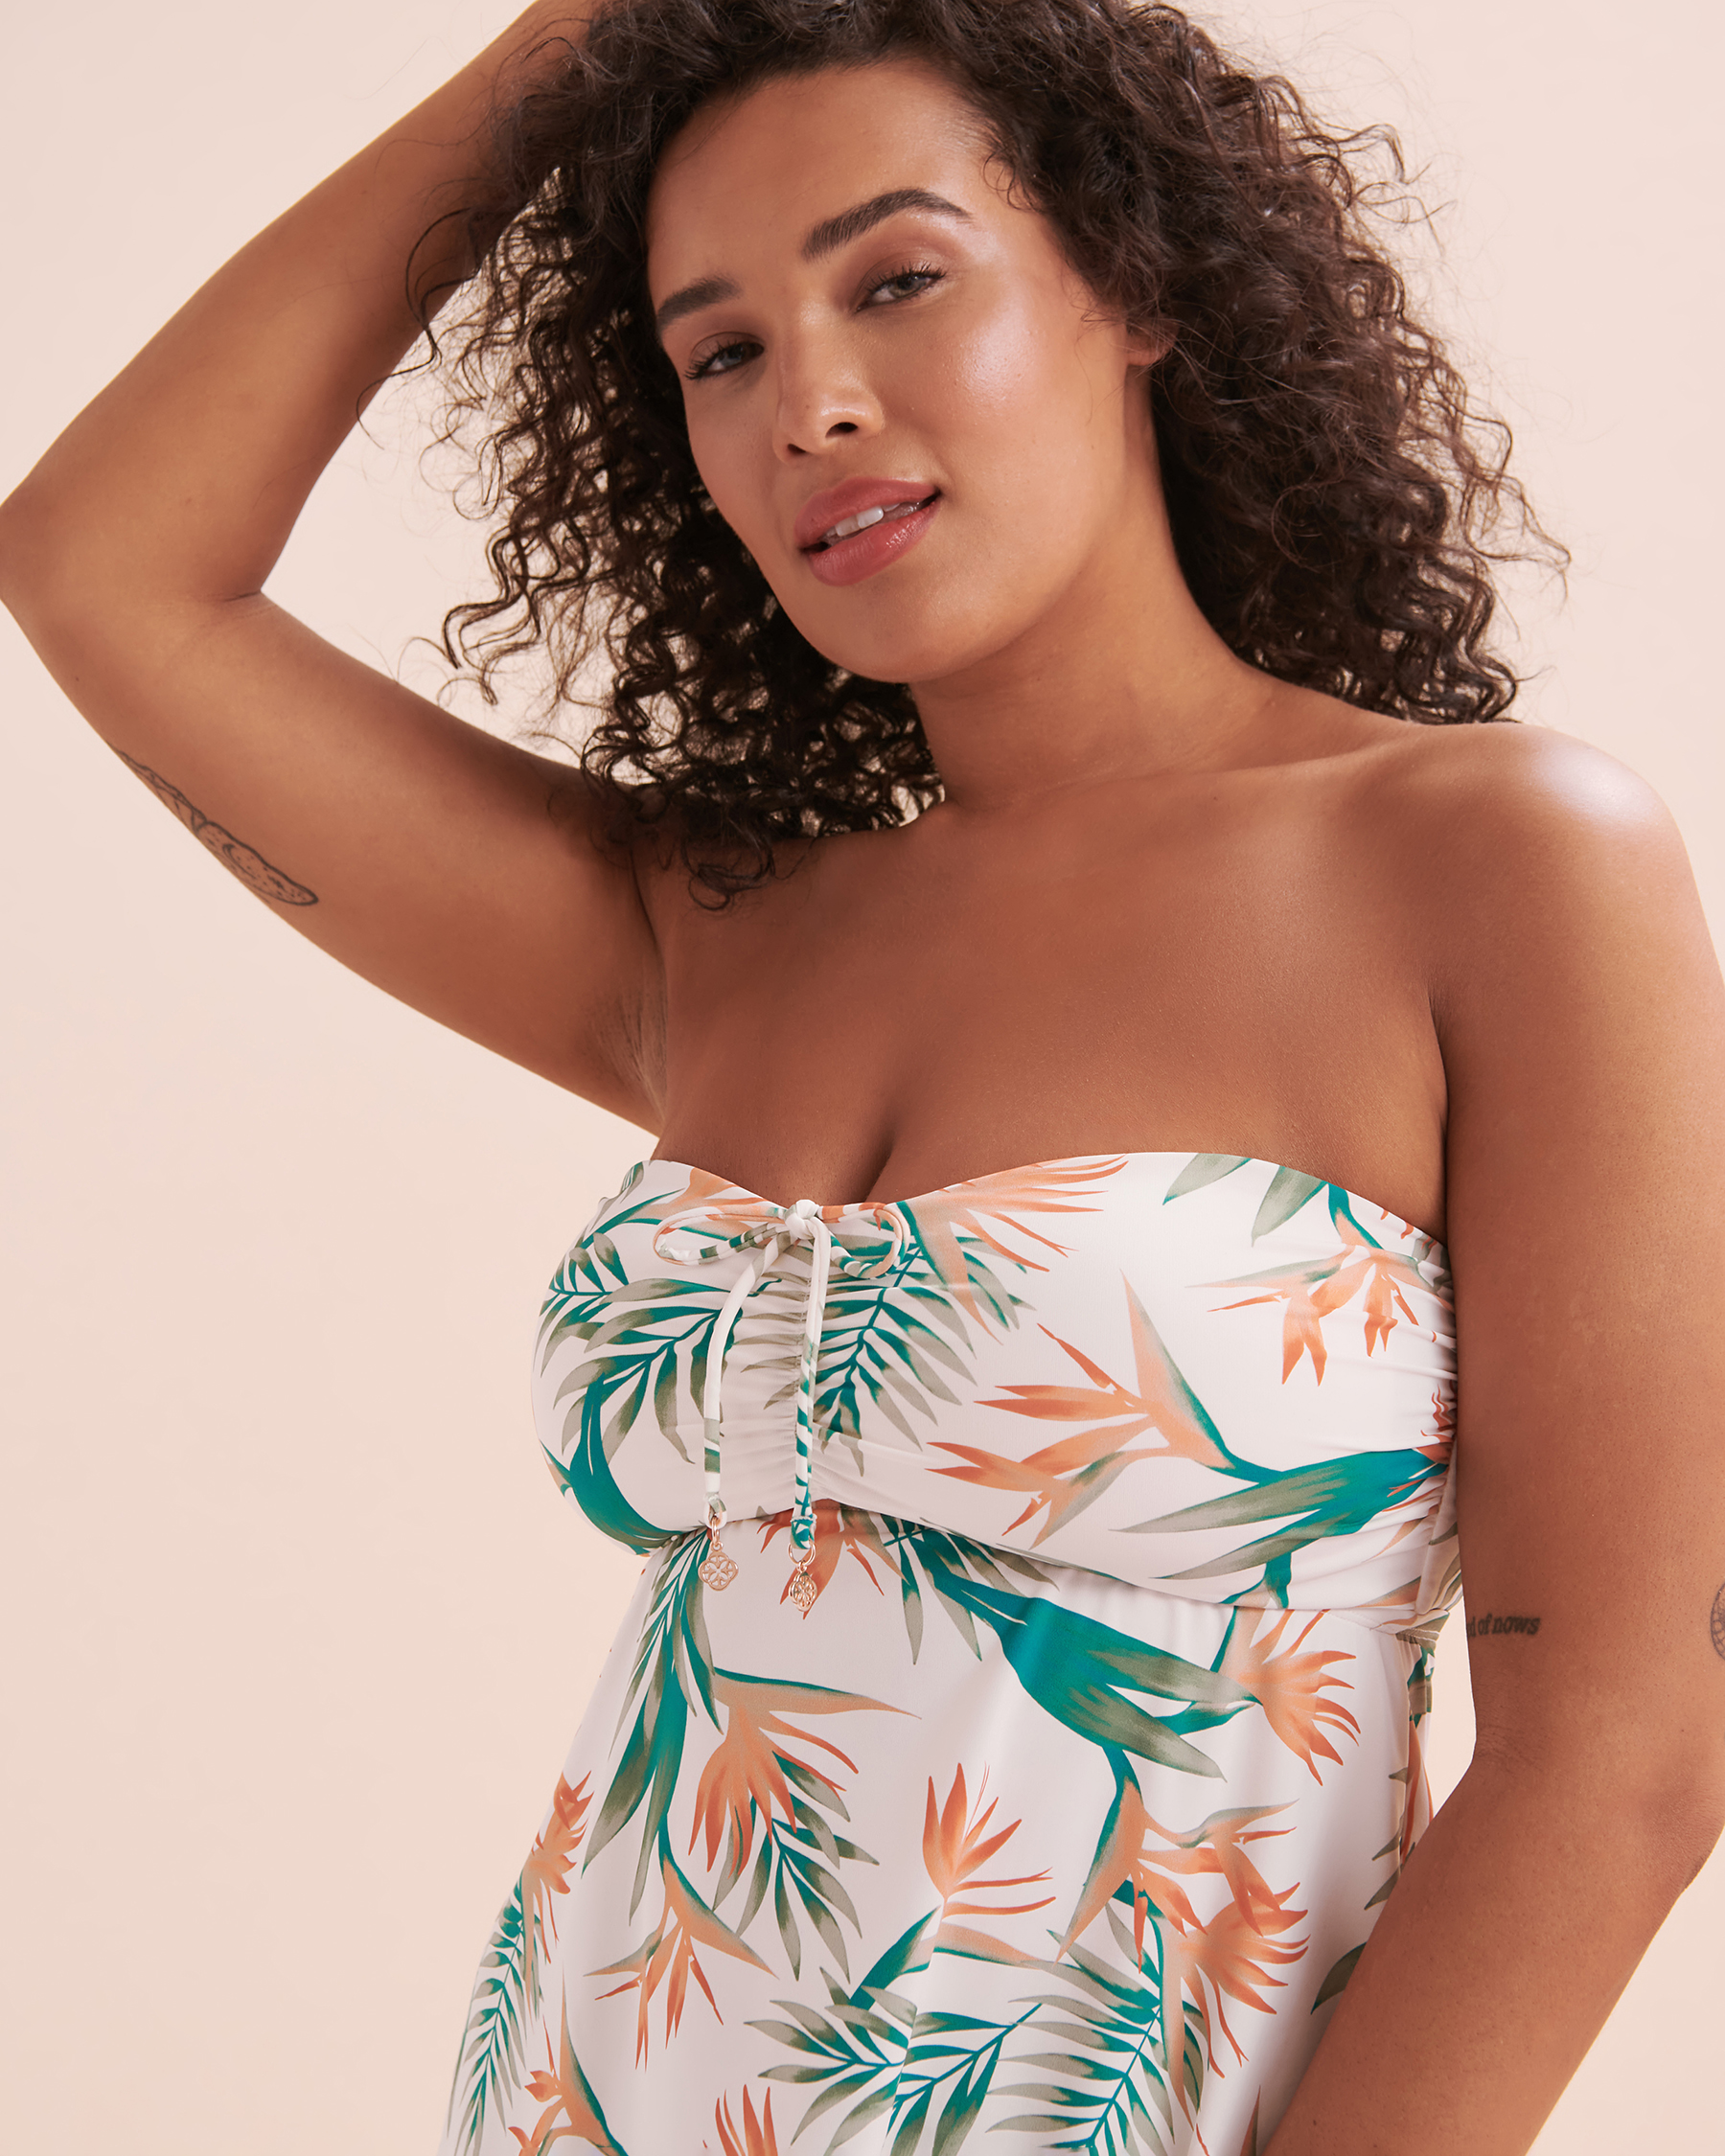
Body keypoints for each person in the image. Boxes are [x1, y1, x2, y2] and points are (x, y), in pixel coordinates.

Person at [3, 0, 1722, 2149]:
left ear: (1137, 281)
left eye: (898, 279)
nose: (808, 402)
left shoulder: (1491, 861)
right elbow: (100, 567)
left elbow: (1627, 1750)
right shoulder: (715, 941)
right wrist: (583, 40)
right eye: (718, 350)